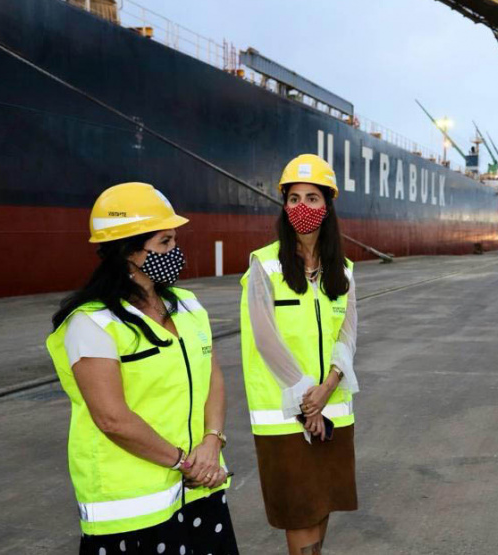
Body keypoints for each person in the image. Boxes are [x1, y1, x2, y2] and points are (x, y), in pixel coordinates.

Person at [46, 182, 238, 554]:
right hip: (130, 510)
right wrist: (185, 462)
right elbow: (111, 418)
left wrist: (213, 441)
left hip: (199, 492)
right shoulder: (92, 323)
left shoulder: (188, 305)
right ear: (128, 251)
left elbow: (211, 374)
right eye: (164, 243)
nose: (175, 252)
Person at [240, 154, 359, 555]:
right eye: (293, 199)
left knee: (323, 505)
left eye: (312, 198)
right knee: (300, 512)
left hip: (331, 407)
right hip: (285, 416)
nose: (301, 207)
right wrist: (307, 397)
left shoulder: (341, 268)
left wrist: (328, 386)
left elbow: (348, 332)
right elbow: (265, 337)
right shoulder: (264, 264)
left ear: (327, 206)